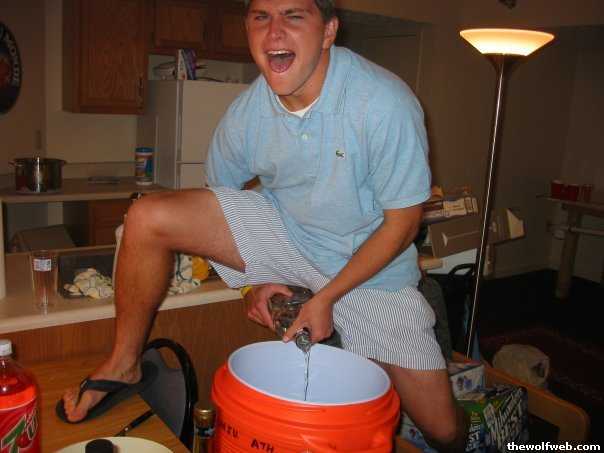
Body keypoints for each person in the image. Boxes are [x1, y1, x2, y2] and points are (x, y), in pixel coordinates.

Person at [62, 0, 467, 449]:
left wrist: (326, 297)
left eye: (293, 15)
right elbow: (220, 202)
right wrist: (252, 286)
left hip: (372, 272)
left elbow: (403, 225)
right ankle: (123, 363)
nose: (274, 31)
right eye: (261, 17)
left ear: (328, 31)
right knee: (146, 216)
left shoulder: (383, 102)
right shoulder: (248, 112)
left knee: (442, 429)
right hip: (289, 236)